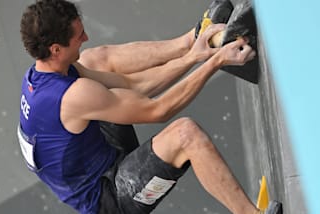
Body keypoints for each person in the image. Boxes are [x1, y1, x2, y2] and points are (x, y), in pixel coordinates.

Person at [17, 0, 281, 213]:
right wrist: (214, 62)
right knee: (185, 135)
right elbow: (158, 110)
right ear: (55, 49)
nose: (86, 36)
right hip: (109, 196)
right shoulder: (71, 97)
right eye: (78, 35)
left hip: (99, 148)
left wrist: (194, 56)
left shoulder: (44, 74)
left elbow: (130, 85)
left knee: (94, 59)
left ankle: (193, 38)